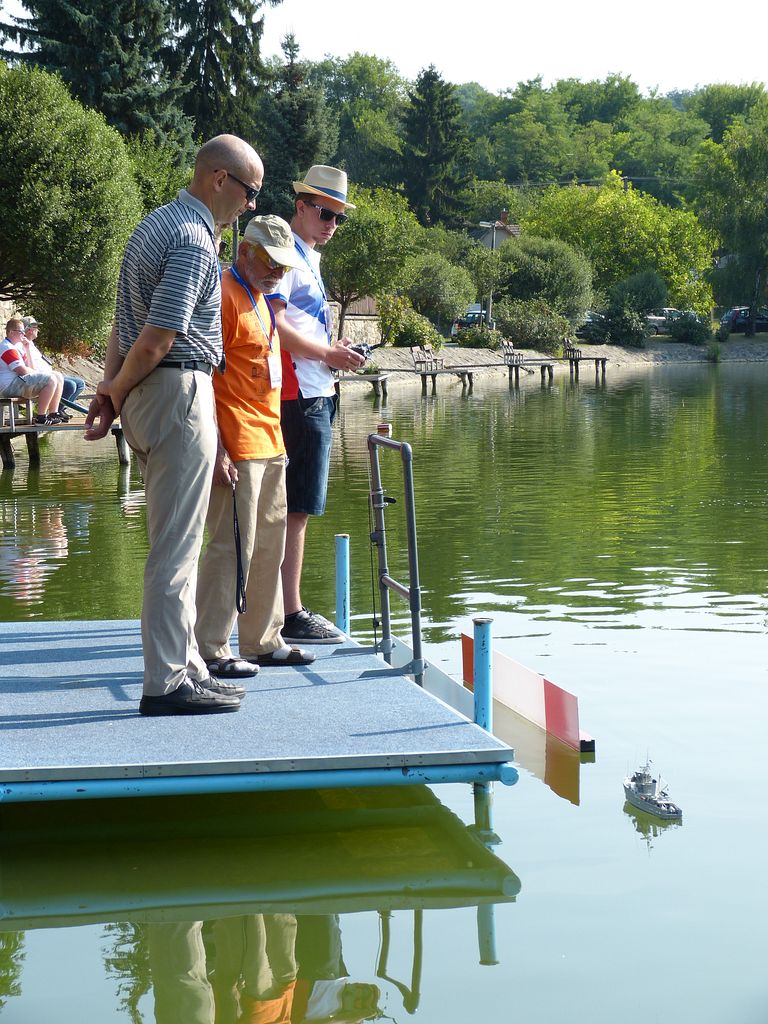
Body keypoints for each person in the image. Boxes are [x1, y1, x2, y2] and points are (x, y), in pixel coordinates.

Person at [84, 133, 263, 716]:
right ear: (219, 179)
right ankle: (165, 683)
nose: (251, 206)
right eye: (250, 192)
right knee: (176, 549)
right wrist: (113, 390)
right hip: (177, 392)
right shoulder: (192, 238)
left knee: (175, 540)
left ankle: (188, 666)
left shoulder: (153, 224)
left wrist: (112, 392)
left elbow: (122, 326)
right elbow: (159, 336)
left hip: (151, 396)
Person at [195, 215, 316, 678]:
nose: (277, 273)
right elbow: (202, 378)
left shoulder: (263, 298)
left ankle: (264, 639)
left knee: (269, 546)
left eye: (284, 266)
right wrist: (217, 448)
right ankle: (211, 647)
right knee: (231, 548)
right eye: (270, 262)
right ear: (244, 251)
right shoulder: (221, 294)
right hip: (237, 444)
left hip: (270, 439)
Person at [267, 166, 365, 645]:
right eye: (326, 214)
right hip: (299, 394)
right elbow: (275, 325)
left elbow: (299, 327)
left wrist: (331, 348)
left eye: (339, 218)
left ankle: (278, 608)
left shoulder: (307, 257)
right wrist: (328, 354)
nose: (332, 225)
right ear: (301, 206)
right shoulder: (287, 255)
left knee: (294, 507)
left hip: (314, 389)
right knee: (296, 508)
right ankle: (290, 612)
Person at [22, 316, 86, 420]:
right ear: (30, 330)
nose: (38, 330)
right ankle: (53, 412)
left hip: (50, 374)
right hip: (43, 379)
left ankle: (60, 409)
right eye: (36, 327)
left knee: (80, 383)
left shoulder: (31, 344)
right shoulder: (23, 345)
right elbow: (30, 367)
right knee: (71, 385)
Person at [0, 317, 62, 423]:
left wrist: (27, 348)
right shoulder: (7, 347)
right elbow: (22, 371)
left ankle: (53, 414)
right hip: (8, 387)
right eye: (21, 331)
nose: (23, 334)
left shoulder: (16, 347)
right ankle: (41, 418)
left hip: (17, 383)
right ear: (11, 332)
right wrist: (39, 373)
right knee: (50, 379)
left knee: (57, 376)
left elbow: (31, 368)